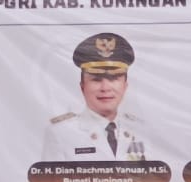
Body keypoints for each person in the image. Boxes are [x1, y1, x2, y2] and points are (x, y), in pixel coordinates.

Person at [41, 33, 150, 161]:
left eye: (114, 78)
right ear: (82, 86)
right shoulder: (61, 132)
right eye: (96, 79)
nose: (105, 88)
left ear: (125, 85)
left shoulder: (141, 130)